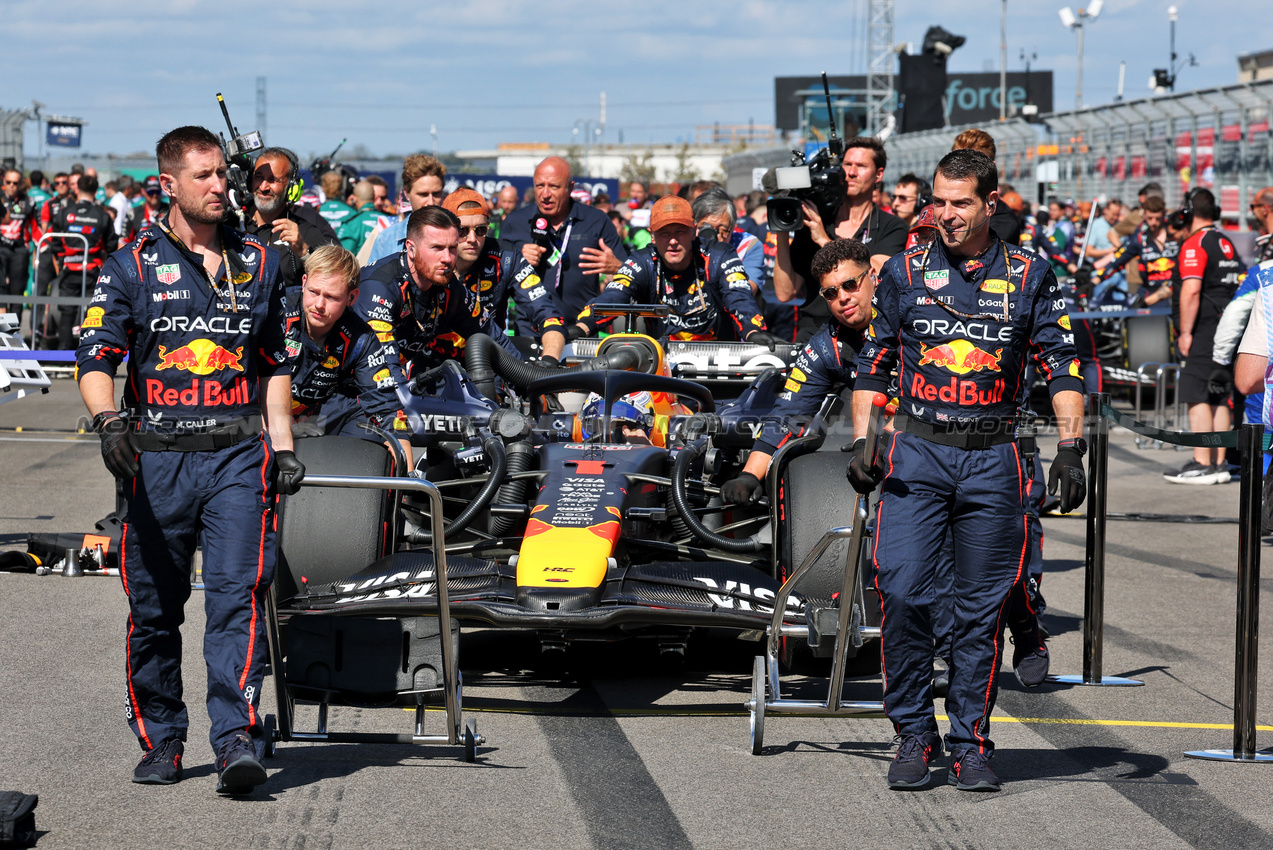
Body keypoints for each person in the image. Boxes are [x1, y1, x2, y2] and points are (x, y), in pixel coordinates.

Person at [849, 149, 1085, 792]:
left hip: (994, 456)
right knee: (901, 590)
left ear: (990, 202)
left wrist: (1071, 447)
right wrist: (864, 442)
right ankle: (912, 736)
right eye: (939, 202)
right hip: (916, 452)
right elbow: (872, 366)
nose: (947, 215)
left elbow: (1062, 365)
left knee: (978, 612)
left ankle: (970, 744)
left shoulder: (1034, 273)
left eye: (961, 203)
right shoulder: (900, 271)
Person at [75, 125, 301, 795]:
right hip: (156, 460)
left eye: (220, 176)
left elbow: (274, 364)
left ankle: (236, 738)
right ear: (168, 183)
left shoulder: (260, 261)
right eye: (202, 176)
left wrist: (283, 448)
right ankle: (163, 738)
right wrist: (109, 420)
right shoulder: (131, 265)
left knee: (236, 602)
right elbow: (96, 359)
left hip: (237, 456)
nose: (218, 187)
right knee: (155, 612)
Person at [720, 238, 874, 504]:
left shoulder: (910, 315)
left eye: (850, 285)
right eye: (831, 293)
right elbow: (789, 413)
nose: (843, 298)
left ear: (871, 276)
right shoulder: (826, 345)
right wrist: (749, 475)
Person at [557, 195, 772, 353]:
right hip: (663, 366)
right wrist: (582, 326)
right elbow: (613, 296)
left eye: (680, 231)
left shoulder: (720, 256)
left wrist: (753, 331)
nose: (672, 241)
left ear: (694, 231)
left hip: (720, 363)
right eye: (664, 233)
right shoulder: (642, 261)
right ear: (652, 236)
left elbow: (740, 297)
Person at [773, 136, 907, 345]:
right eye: (847, 164)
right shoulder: (817, 219)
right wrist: (782, 227)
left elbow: (878, 272)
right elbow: (785, 293)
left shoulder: (893, 226)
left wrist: (823, 239)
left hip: (865, 337)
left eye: (861, 166)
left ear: (879, 174)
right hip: (814, 334)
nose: (852, 172)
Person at [283, 245, 409, 458]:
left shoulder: (361, 337)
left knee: (368, 422)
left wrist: (408, 482)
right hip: (262, 416)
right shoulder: (275, 311)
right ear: (303, 283)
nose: (319, 305)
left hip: (319, 416)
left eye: (332, 297)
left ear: (352, 298)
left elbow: (387, 410)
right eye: (314, 292)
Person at [357, 205, 507, 375]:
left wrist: (532, 386)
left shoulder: (448, 285)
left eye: (452, 248)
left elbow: (496, 339)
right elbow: (384, 373)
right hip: (342, 390)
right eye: (437, 248)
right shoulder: (380, 288)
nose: (447, 258)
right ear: (411, 249)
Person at [497, 156, 627, 337]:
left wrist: (618, 266)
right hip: (529, 333)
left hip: (581, 331)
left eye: (554, 186)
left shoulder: (596, 220)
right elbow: (495, 282)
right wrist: (515, 262)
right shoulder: (515, 222)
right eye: (539, 186)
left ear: (570, 188)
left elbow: (631, 276)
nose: (545, 194)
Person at [1164, 189, 1242, 484]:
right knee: (1218, 393)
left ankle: (1201, 462)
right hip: (1226, 327)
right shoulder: (1226, 242)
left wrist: (1185, 332)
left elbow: (1192, 289)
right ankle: (1219, 464)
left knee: (1196, 392)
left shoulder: (1195, 242)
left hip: (1204, 328)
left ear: (1188, 213)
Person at [242, 147, 338, 293]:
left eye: (273, 180)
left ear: (291, 187)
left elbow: (333, 281)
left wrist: (304, 252)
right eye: (259, 177)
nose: (263, 187)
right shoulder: (233, 223)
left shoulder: (305, 232)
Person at [51, 173, 118, 349]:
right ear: (96, 191)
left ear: (76, 189)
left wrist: (61, 259)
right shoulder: (102, 216)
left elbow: (54, 243)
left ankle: (63, 358)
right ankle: (90, 352)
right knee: (94, 313)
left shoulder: (64, 213)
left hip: (69, 269)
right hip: (92, 269)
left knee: (66, 313)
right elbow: (112, 245)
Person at [1091, 196, 1176, 305]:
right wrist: (1095, 281)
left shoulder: (1176, 232)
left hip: (1176, 291)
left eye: (1157, 218)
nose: (1154, 222)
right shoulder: (1140, 237)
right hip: (1150, 289)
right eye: (1150, 218)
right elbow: (1119, 260)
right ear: (1144, 215)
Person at [366, 154, 447, 264]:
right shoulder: (386, 239)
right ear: (406, 193)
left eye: (436, 194)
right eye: (423, 194)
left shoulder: (457, 235)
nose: (431, 202)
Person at [950, 129, 1019, 245]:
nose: (961, 172)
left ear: (992, 168)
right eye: (955, 164)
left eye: (972, 165)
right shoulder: (940, 210)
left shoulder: (1003, 223)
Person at [692, 187, 764, 293]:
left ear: (733, 227)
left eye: (722, 229)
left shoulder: (748, 245)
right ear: (694, 226)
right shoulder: (686, 243)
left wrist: (721, 253)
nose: (714, 236)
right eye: (707, 229)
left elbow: (747, 291)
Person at [0, 170, 34, 323]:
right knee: (1, 291)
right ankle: (2, 336)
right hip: (1, 249)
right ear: (4, 182)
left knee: (16, 292)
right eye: (9, 182)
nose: (12, 186)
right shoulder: (0, 200)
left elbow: (38, 228)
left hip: (19, 250)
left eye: (15, 183)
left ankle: (12, 336)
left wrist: (37, 251)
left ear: (21, 184)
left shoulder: (29, 201)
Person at [337, 180, 382, 256]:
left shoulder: (350, 224)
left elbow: (345, 257)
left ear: (354, 199)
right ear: (374, 197)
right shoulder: (389, 220)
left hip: (360, 267)